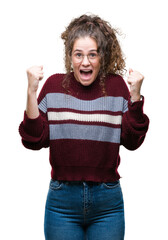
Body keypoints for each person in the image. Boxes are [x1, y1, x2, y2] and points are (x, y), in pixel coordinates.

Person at [19, 14, 149, 240]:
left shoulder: (116, 87)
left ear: (102, 57)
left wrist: (136, 96)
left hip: (107, 204)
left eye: (92, 55)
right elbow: (33, 139)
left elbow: (132, 141)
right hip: (62, 204)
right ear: (70, 56)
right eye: (78, 55)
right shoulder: (53, 86)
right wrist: (31, 91)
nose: (85, 62)